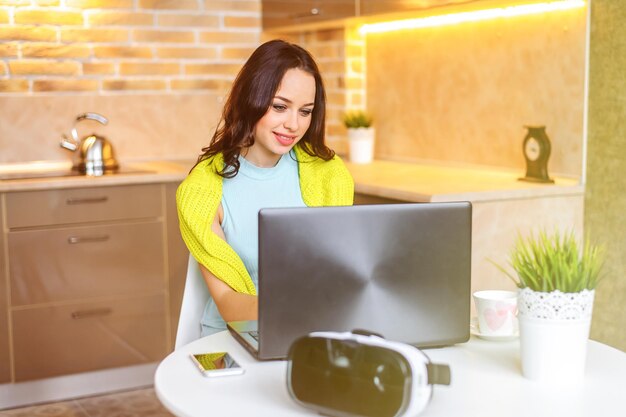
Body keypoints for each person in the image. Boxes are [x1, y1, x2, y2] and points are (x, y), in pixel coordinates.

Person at [176, 39, 354, 337]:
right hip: (235, 338)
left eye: (305, 111)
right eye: (280, 107)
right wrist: (300, 311)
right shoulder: (203, 191)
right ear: (251, 99)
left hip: (313, 332)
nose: (294, 125)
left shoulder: (329, 175)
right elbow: (228, 302)